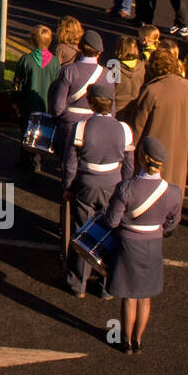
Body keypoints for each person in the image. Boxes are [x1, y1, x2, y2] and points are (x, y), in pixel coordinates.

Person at [103, 136, 183, 354]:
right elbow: (173, 223)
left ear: (141, 157)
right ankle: (138, 341)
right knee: (145, 296)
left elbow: (111, 221)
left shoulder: (126, 188)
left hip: (128, 244)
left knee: (129, 296)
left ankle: (125, 342)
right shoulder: (173, 192)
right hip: (153, 244)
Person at [61, 83, 134, 298]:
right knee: (111, 231)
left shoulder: (81, 127)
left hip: (86, 183)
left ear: (90, 102)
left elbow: (70, 164)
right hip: (114, 183)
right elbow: (129, 165)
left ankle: (78, 283)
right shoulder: (124, 129)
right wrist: (125, 190)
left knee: (82, 229)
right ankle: (106, 285)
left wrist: (67, 187)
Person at [129, 48, 188, 203]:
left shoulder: (151, 90)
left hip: (151, 153)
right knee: (173, 195)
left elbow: (137, 127)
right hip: (179, 150)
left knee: (150, 198)